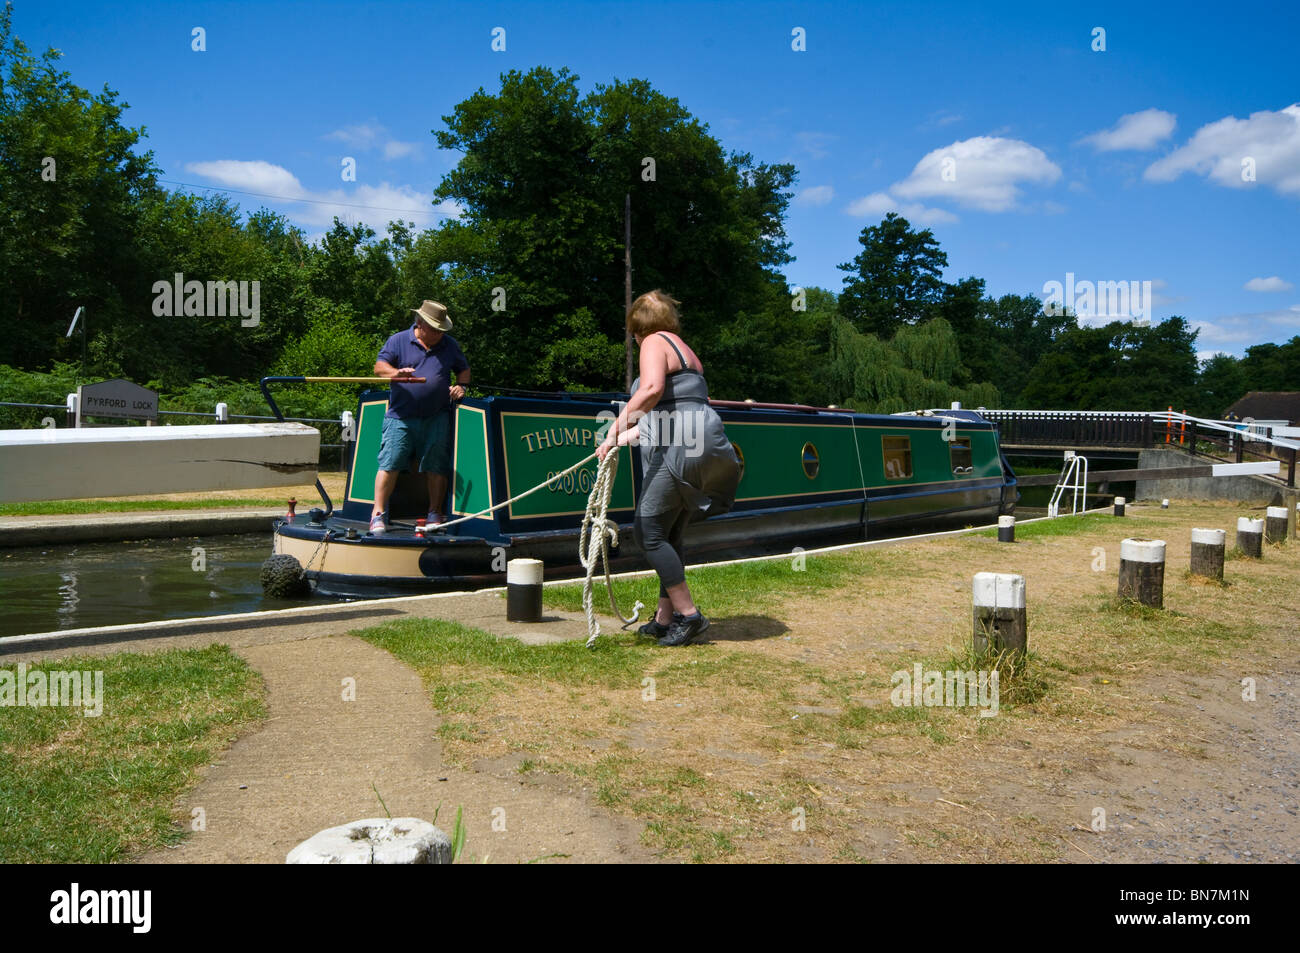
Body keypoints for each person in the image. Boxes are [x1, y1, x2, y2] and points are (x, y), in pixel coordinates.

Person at [597, 290, 741, 646]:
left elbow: (650, 390)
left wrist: (612, 429)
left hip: (680, 446)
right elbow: (667, 413)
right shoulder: (686, 351)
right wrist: (621, 439)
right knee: (671, 532)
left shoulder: (651, 344)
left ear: (638, 327)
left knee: (648, 532)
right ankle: (666, 618)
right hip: (703, 437)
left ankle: (690, 616)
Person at [370, 300, 470, 535]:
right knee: (389, 463)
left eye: (441, 329)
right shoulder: (398, 340)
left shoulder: (450, 345)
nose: (438, 334)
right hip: (400, 417)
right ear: (419, 323)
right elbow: (379, 367)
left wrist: (461, 386)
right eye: (435, 329)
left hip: (437, 417)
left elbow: (463, 369)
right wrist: (396, 373)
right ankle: (378, 514)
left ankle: (434, 513)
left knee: (437, 465)